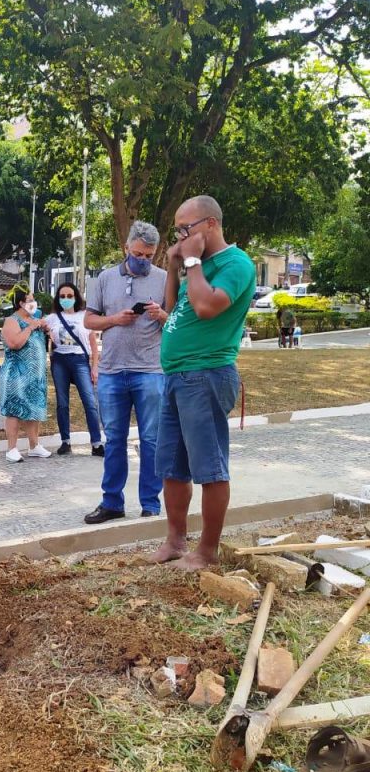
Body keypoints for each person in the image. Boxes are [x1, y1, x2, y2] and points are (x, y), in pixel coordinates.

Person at [149, 195, 256, 570]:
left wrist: (192, 261)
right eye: (177, 230)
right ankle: (175, 540)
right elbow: (175, 307)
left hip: (206, 374)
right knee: (172, 466)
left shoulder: (235, 263)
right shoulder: (198, 265)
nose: (180, 236)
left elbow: (206, 306)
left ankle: (206, 552)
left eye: (186, 228)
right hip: (177, 375)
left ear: (210, 224)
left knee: (209, 467)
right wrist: (173, 267)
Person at [83, 221, 168, 521]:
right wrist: (114, 320)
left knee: (151, 439)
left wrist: (162, 315)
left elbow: (178, 324)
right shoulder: (104, 279)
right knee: (114, 438)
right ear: (126, 248)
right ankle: (112, 502)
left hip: (150, 371)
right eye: (137, 253)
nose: (142, 260)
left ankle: (151, 503)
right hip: (111, 371)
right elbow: (88, 321)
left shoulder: (165, 279)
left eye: (149, 255)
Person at [44, 282, 103, 457]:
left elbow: (93, 344)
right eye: (62, 296)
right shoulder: (52, 318)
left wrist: (94, 367)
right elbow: (37, 326)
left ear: (76, 297)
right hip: (60, 360)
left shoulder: (84, 316)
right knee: (62, 403)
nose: (66, 299)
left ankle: (97, 443)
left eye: (69, 296)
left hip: (80, 360)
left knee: (89, 401)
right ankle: (65, 442)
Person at [0, 287, 51, 463]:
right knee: (14, 409)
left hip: (35, 375)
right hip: (16, 374)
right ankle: (11, 448)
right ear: (21, 303)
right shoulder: (12, 321)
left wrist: (45, 329)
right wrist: (30, 327)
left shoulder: (35, 320)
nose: (33, 303)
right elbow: (14, 343)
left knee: (34, 408)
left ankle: (34, 445)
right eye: (29, 300)